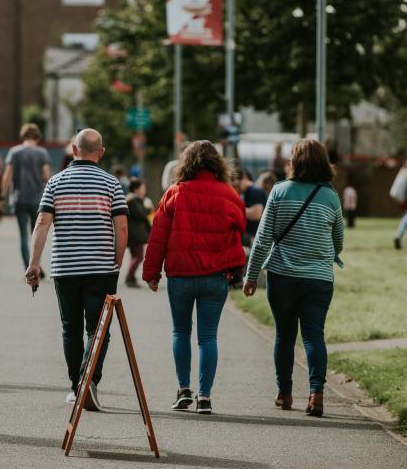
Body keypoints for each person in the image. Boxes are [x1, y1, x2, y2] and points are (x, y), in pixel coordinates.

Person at [25, 128, 127, 411]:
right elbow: (121, 226)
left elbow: (42, 223)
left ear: (73, 149)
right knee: (99, 329)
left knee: (70, 329)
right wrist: (116, 262)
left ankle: (77, 386)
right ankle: (89, 381)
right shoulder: (112, 184)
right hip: (101, 268)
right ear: (101, 152)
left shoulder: (55, 183)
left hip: (65, 268)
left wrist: (34, 263)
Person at [242, 139, 344, 418]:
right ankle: (316, 395)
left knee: (285, 336)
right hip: (319, 280)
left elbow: (262, 240)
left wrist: (251, 276)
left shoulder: (279, 191)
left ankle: (285, 394)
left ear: (295, 162)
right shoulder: (331, 196)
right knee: (313, 336)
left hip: (282, 276)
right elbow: (339, 241)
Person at [143, 141, 245, 415]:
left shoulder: (175, 192)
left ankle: (183, 390)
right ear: (217, 165)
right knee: (208, 337)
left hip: (181, 275)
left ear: (185, 164)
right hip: (215, 276)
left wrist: (151, 273)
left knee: (181, 332)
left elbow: (158, 237)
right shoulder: (229, 194)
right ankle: (206, 397)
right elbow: (239, 229)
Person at [1, 124, 52, 271]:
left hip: (19, 197)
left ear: (23, 135)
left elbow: (7, 175)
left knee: (23, 234)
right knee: (37, 233)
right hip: (38, 199)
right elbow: (46, 175)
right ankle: (37, 265)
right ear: (37, 136)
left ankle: (27, 266)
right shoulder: (42, 153)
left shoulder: (14, 152)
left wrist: (2, 196)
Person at [124, 178, 152, 287]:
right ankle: (129, 277)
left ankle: (132, 277)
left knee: (135, 256)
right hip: (136, 234)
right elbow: (141, 214)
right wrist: (148, 208)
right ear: (136, 189)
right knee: (139, 256)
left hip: (134, 233)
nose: (144, 191)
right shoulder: (133, 200)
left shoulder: (132, 199)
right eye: (143, 188)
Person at [233, 168, 267, 246]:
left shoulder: (254, 191)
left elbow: (256, 214)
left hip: (254, 236)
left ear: (244, 178)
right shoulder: (245, 193)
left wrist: (234, 210)